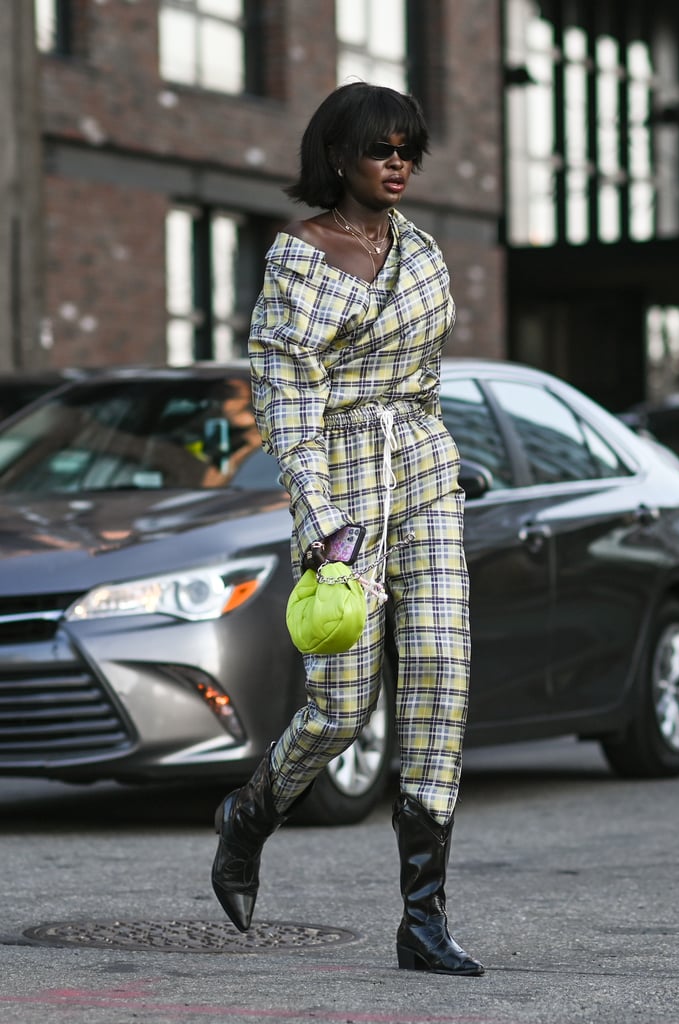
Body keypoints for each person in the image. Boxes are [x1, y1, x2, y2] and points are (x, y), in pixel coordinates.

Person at [211, 81, 484, 978]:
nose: (397, 162)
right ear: (338, 157)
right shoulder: (297, 256)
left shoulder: (427, 254)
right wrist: (323, 520)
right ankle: (248, 816)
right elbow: (286, 399)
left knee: (443, 675)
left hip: (422, 471)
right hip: (340, 486)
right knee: (339, 708)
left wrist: (442, 460)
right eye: (380, 149)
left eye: (409, 148)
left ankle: (422, 920)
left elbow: (427, 377)